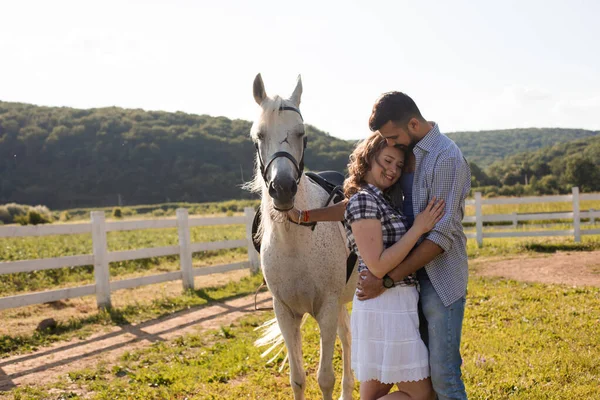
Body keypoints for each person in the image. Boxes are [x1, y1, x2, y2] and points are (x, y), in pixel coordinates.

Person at [289, 92, 471, 400]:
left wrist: (388, 278)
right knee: (422, 389)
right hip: (396, 297)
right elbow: (360, 207)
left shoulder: (444, 159)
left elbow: (441, 235)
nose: (393, 161)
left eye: (394, 139)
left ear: (413, 124)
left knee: (441, 377)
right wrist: (306, 215)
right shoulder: (403, 161)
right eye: (387, 156)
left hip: (433, 283)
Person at [344, 132, 443, 400]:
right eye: (387, 161)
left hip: (391, 304)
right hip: (387, 307)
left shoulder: (381, 199)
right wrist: (419, 228)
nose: (392, 170)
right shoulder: (364, 200)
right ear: (368, 158)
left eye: (399, 166)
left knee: (374, 393)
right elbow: (376, 266)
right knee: (422, 395)